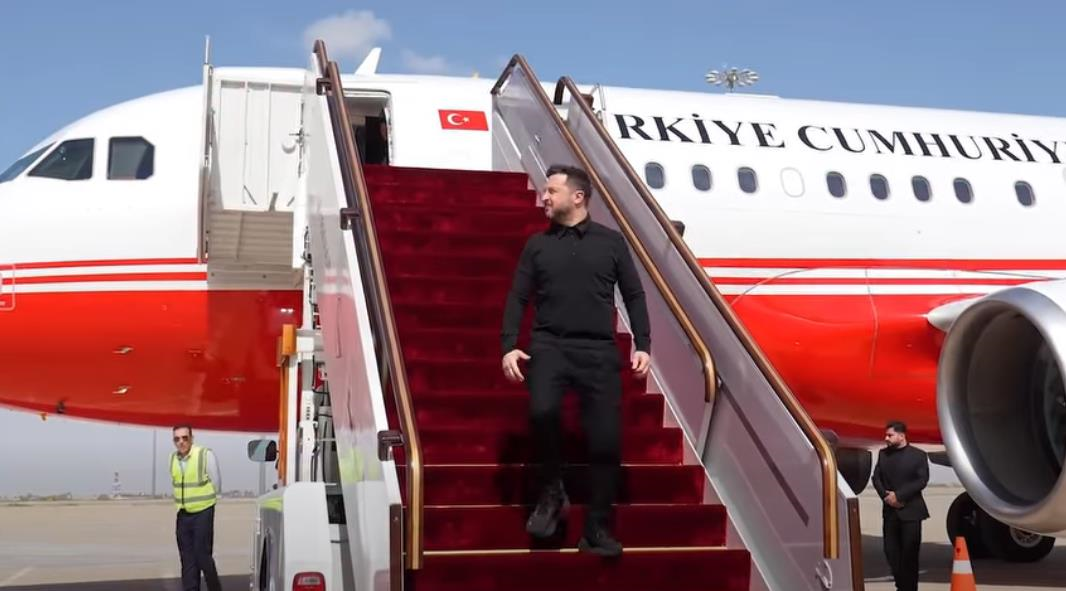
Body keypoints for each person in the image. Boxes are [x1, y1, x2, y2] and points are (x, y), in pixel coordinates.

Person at [500, 164, 651, 557]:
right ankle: (552, 492)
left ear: (578, 197)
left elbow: (634, 294)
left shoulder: (612, 243)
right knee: (542, 414)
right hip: (549, 346)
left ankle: (597, 528)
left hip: (598, 350)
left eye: (552, 191)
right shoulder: (537, 245)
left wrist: (643, 343)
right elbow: (518, 296)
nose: (544, 197)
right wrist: (509, 345)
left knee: (605, 440)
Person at [871, 420, 929, 591]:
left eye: (890, 435)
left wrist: (899, 496)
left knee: (909, 555)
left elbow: (922, 480)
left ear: (902, 436)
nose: (886, 438)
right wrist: (886, 497)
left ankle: (908, 589)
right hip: (890, 511)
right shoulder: (883, 454)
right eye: (886, 435)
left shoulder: (918, 455)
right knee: (891, 552)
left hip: (911, 511)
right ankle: (902, 585)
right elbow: (876, 478)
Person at [170, 424, 223, 591]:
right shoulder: (173, 459)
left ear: (192, 439)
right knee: (187, 560)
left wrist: (208, 502)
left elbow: (216, 482)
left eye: (185, 438)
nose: (181, 442)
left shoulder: (204, 455)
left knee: (202, 556)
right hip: (183, 513)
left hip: (203, 511)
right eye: (177, 439)